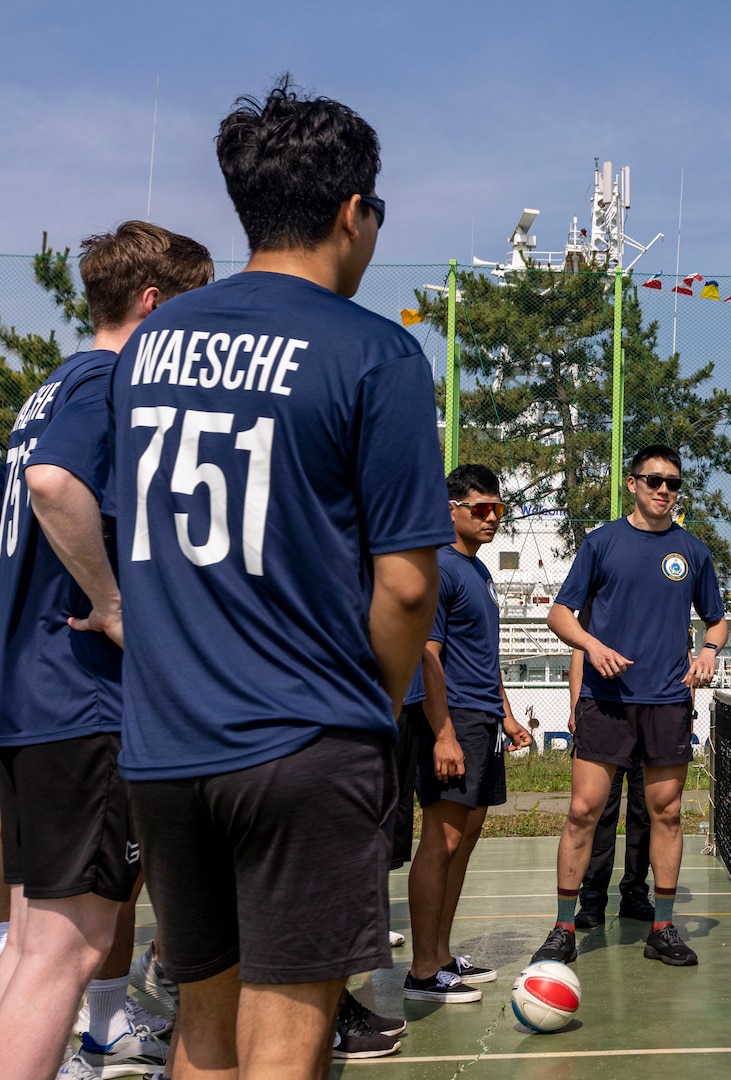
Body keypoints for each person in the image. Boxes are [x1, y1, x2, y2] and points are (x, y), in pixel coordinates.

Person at [83, 78, 453, 1073]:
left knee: (200, 1034)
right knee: (288, 1044)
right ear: (351, 212)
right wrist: (366, 707)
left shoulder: (151, 345)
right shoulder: (375, 352)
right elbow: (410, 586)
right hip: (303, 739)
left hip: (164, 749)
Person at [0, 222, 210, 1080]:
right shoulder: (111, 379)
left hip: (31, 702)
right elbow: (56, 485)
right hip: (81, 702)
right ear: (154, 305)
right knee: (65, 956)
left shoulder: (46, 388)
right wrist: (112, 602)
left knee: (29, 951)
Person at [533, 445, 726, 969]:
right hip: (606, 701)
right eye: (654, 480)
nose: (664, 490)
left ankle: (662, 927)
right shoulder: (600, 543)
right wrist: (592, 646)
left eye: (672, 483)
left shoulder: (693, 552)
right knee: (582, 811)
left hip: (667, 703)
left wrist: (709, 651)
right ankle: (563, 928)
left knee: (665, 812)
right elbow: (559, 614)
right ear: (632, 484)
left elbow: (717, 619)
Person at [403, 465, 532, 1004]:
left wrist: (504, 713)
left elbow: (485, 654)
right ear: (450, 511)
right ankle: (422, 970)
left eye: (497, 509)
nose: (491, 518)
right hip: (449, 718)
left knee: (467, 839)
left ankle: (441, 952)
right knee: (442, 839)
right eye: (480, 508)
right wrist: (443, 734)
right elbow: (427, 654)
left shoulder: (478, 573)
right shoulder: (441, 569)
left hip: (480, 718)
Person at [568, 635, 655, 931]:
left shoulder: (665, 599)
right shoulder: (602, 595)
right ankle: (592, 897)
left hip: (653, 716)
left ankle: (634, 892)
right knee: (600, 811)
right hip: (606, 714)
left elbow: (682, 655)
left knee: (644, 813)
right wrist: (575, 706)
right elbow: (579, 652)